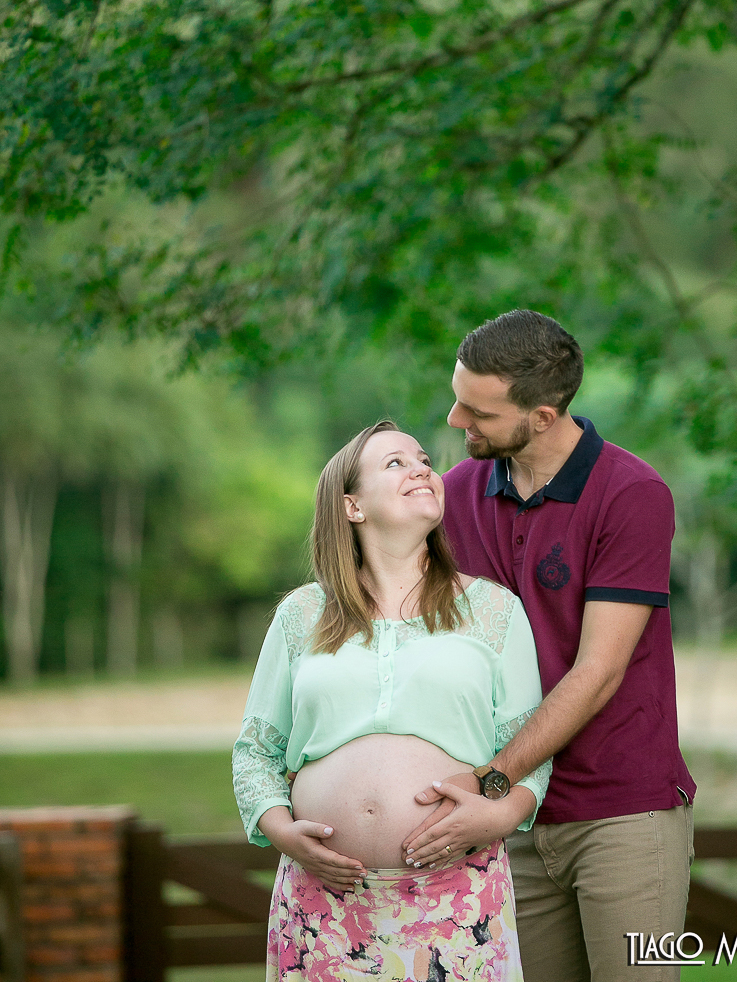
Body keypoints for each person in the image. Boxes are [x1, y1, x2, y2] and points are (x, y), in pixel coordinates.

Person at [402, 311, 695, 982]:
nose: (454, 419)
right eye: (457, 398)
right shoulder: (453, 496)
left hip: (621, 812)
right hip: (507, 822)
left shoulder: (632, 494)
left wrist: (494, 779)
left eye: (478, 411)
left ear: (541, 416)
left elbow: (598, 671)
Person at [233, 419, 551, 982]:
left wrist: (499, 815)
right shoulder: (301, 614)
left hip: (455, 898)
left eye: (424, 460)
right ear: (352, 506)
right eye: (396, 463)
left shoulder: (494, 609)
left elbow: (529, 751)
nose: (422, 469)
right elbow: (256, 752)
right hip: (323, 905)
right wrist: (282, 832)